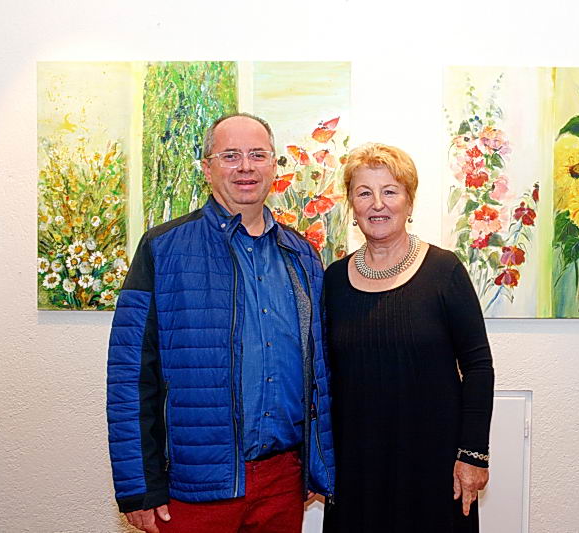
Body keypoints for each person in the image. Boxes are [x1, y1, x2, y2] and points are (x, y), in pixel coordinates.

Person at [106, 112, 334, 533]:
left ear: (273, 166)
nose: (246, 167)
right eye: (230, 156)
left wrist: (316, 464)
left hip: (283, 481)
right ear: (207, 169)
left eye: (257, 155)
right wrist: (139, 486)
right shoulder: (162, 248)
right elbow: (130, 375)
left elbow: (321, 371)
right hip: (194, 486)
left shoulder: (303, 256)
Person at [322, 143, 494, 533]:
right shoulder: (332, 281)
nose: (377, 204)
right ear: (352, 205)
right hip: (357, 468)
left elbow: (478, 367)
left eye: (390, 191)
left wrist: (473, 455)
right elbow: (324, 376)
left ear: (409, 201)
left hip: (434, 467)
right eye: (364, 193)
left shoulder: (445, 271)